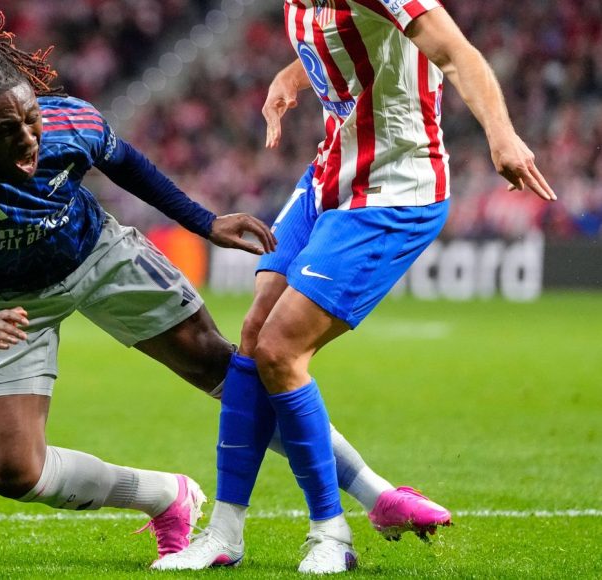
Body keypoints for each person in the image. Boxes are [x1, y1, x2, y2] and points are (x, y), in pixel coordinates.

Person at [0, 11, 456, 567]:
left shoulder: (71, 122)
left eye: (30, 119)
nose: (27, 138)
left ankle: (378, 496)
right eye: (4, 131)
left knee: (235, 369)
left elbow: (131, 167)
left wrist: (204, 222)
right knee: (12, 473)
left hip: (99, 256)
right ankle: (166, 496)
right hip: (5, 305)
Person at [153, 0, 556, 573]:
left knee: (280, 350)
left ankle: (332, 532)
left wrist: (502, 135)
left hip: (395, 190)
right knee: (253, 334)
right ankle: (225, 531)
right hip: (330, 176)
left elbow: (456, 53)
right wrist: (291, 76)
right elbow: (335, 41)